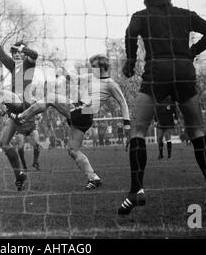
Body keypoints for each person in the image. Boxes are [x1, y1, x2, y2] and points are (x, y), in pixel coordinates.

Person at [118, 0, 206, 215]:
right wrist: (191, 52)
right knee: (197, 131)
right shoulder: (185, 15)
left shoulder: (141, 16)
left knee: (138, 131)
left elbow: (130, 33)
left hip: (158, 71)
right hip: (184, 71)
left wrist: (131, 62)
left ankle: (137, 190)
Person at [12, 54, 131, 189]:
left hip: (83, 112)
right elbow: (75, 79)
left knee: (51, 97)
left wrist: (127, 126)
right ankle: (93, 178)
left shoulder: (110, 84)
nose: (92, 69)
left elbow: (123, 103)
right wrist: (63, 70)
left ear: (103, 67)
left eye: (94, 67)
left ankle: (20, 117)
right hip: (83, 115)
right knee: (72, 150)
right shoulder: (92, 77)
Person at [0, 30, 38, 191]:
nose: (16, 56)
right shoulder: (13, 66)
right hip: (15, 110)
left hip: (23, 104)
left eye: (18, 53)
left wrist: (22, 48)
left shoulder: (28, 64)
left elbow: (35, 54)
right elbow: (2, 56)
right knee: (4, 144)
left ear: (23, 55)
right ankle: (19, 175)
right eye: (14, 53)